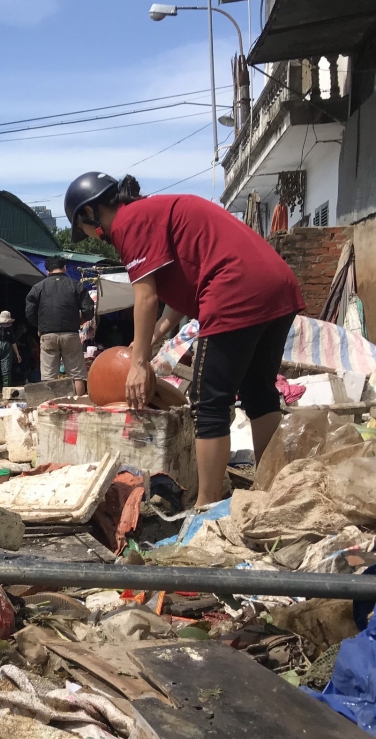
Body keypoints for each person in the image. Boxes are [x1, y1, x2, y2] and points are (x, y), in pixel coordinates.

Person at [64, 171, 305, 508]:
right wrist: (155, 337)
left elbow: (146, 297)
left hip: (235, 289)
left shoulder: (128, 224)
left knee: (210, 404)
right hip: (277, 284)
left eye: (84, 228)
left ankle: (206, 506)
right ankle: (272, 487)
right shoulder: (153, 213)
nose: (90, 235)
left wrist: (137, 364)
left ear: (90, 213)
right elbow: (180, 289)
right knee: (258, 392)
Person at [24, 255, 94, 395]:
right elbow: (89, 309)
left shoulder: (38, 288)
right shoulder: (76, 285)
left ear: (47, 270)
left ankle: (49, 409)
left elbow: (29, 311)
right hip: (71, 334)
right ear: (65, 268)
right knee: (77, 375)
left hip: (47, 335)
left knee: (49, 376)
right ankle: (78, 406)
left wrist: (40, 325)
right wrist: (80, 320)